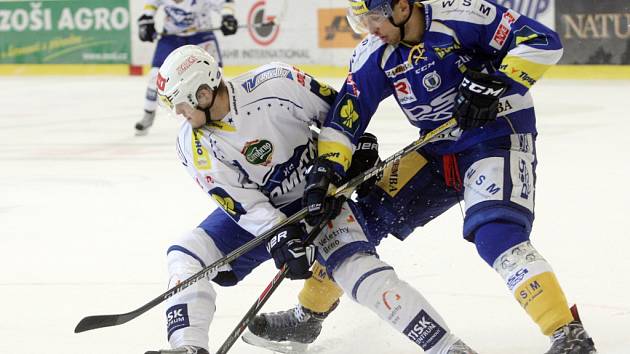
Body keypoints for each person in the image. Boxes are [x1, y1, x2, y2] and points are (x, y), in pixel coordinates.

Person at [245, 1, 597, 353]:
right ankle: (308, 317)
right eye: (362, 20)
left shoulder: (461, 14)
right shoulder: (375, 52)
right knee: (358, 221)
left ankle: (567, 332)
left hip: (497, 135)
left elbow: (542, 41)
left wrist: (495, 82)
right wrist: (328, 171)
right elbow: (345, 119)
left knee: (496, 234)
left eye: (375, 17)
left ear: (401, 6)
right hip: (436, 148)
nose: (370, 27)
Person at [144, 44, 478, 354]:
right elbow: (243, 204)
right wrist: (281, 235)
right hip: (265, 212)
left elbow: (340, 115)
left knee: (357, 270)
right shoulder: (192, 146)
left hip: (322, 190)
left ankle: (445, 346)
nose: (180, 114)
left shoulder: (276, 83)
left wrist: (355, 148)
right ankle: (188, 346)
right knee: (187, 254)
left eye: (182, 105)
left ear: (202, 92)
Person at [134, 0, 238, 136]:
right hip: (171, 37)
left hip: (201, 35)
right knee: (156, 77)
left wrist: (227, 16)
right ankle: (148, 113)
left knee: (215, 75)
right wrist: (146, 18)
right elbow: (152, 4)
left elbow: (225, 2)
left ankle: (222, 113)